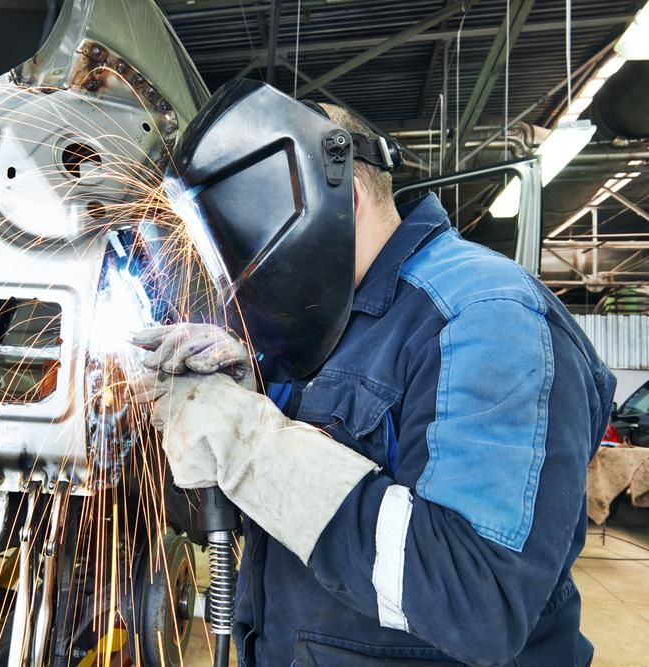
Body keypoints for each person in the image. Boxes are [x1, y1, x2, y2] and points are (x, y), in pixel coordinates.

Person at [131, 95, 615, 666]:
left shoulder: (485, 314)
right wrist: (248, 396)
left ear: (344, 199)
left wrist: (252, 447)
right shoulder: (332, 327)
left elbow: (477, 596)